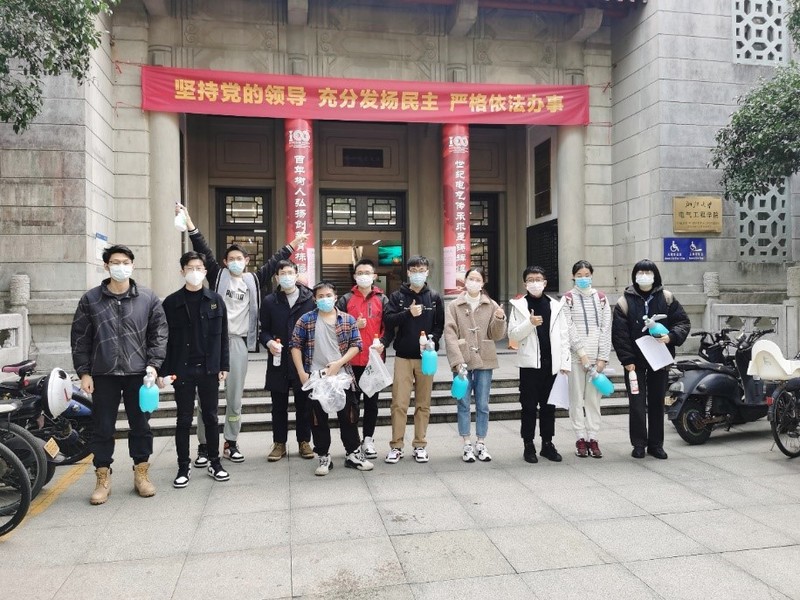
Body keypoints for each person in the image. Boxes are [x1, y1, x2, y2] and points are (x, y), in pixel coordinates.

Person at [178, 203, 307, 465]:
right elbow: (202, 247)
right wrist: (190, 223)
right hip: (211, 343)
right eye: (232, 259)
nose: (236, 262)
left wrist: (293, 245)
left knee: (234, 397)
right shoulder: (217, 276)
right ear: (225, 262)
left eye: (241, 258)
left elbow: (274, 263)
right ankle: (204, 445)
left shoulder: (253, 281)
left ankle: (231, 441)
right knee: (206, 398)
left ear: (247, 261)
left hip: (237, 344)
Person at [71, 244, 168, 505]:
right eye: (115, 262)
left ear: (132, 265)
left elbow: (159, 334)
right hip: (103, 373)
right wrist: (84, 372)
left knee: (141, 425)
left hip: (139, 374)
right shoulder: (91, 300)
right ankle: (102, 476)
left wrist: (154, 365)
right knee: (102, 427)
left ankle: (141, 473)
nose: (121, 267)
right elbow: (80, 338)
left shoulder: (147, 298)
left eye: (125, 262)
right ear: (106, 266)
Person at [160, 251, 231, 487]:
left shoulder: (215, 300)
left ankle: (214, 462)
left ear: (205, 271)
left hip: (209, 368)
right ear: (182, 271)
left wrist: (224, 365)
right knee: (183, 419)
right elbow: (163, 339)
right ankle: (183, 465)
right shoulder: (171, 303)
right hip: (182, 369)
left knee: (210, 416)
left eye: (199, 268)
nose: (195, 272)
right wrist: (163, 371)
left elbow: (223, 337)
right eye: (190, 268)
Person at [289, 281, 374, 476]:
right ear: (314, 299)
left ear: (335, 297)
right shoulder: (306, 320)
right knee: (317, 419)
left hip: (342, 376)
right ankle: (323, 456)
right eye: (320, 296)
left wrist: (339, 363)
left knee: (349, 416)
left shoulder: (347, 320)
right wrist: (302, 373)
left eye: (328, 295)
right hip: (316, 377)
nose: (325, 299)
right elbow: (295, 345)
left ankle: (353, 454)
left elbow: (357, 345)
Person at [612, 259, 690, 460]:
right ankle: (639, 444)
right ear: (634, 276)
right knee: (637, 403)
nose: (644, 276)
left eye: (648, 272)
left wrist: (671, 337)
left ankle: (656, 445)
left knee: (657, 402)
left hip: (659, 359)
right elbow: (620, 334)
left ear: (655, 276)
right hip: (635, 362)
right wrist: (627, 360)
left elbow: (682, 322)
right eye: (640, 272)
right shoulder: (624, 302)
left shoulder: (667, 298)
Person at [383, 255, 445, 464]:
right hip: (403, 357)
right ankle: (396, 446)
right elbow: (388, 320)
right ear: (408, 272)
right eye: (414, 270)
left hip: (426, 358)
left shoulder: (434, 297)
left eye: (422, 270)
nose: (418, 274)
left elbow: (439, 325)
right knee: (399, 404)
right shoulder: (397, 296)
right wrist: (408, 313)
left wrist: (432, 339)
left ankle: (420, 445)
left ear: (427, 272)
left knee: (423, 404)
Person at [508, 266, 570, 464]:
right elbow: (513, 335)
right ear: (525, 283)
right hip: (529, 366)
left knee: (549, 407)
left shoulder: (555, 305)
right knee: (528, 406)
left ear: (545, 283)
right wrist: (530, 323)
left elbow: (564, 336)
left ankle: (547, 443)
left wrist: (565, 362)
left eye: (538, 279)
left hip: (552, 365)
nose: (535, 283)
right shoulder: (519, 306)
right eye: (530, 279)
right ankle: (528, 444)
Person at [444, 267, 507, 462]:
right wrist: (457, 362)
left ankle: (481, 441)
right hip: (462, 360)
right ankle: (466, 443)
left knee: (482, 403)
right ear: (465, 281)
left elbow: (496, 335)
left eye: (477, 279)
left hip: (485, 359)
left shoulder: (491, 304)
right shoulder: (454, 305)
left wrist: (499, 318)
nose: (474, 282)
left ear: (483, 283)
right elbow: (450, 334)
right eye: (471, 278)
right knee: (463, 402)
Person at [335, 258, 394, 459]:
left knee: (371, 403)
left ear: (374, 276)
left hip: (373, 361)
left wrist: (383, 342)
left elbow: (389, 328)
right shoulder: (345, 300)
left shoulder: (383, 300)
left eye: (367, 273)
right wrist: (354, 325)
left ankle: (368, 439)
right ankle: (353, 442)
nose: (363, 276)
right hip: (350, 362)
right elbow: (335, 326)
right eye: (360, 273)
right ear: (354, 276)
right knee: (351, 404)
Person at [260, 260, 316, 462]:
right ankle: (279, 443)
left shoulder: (310, 299)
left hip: (304, 361)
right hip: (279, 360)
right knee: (278, 405)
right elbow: (263, 331)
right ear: (276, 277)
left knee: (304, 404)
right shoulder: (269, 301)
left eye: (290, 272)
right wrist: (268, 342)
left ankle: (304, 441)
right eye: (282, 273)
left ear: (296, 274)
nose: (286, 277)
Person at [564, 260, 612, 459]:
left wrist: (602, 358)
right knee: (576, 399)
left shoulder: (601, 299)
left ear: (592, 275)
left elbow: (606, 329)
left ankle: (593, 437)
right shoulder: (567, 299)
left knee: (593, 400)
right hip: (576, 358)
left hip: (596, 360)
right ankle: (580, 438)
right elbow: (569, 328)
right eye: (579, 275)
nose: (583, 278)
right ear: (573, 276)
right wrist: (582, 354)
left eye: (587, 275)